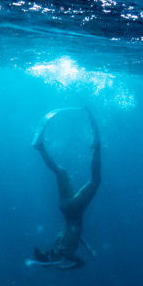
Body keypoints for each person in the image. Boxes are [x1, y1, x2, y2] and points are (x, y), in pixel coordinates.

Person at [29, 107, 101, 270]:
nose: (49, 251)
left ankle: (97, 146)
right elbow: (75, 233)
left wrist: (64, 267)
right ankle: (40, 148)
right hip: (64, 207)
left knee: (95, 180)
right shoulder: (58, 244)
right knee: (61, 172)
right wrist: (88, 247)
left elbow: (80, 263)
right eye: (48, 253)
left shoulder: (64, 252)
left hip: (73, 211)